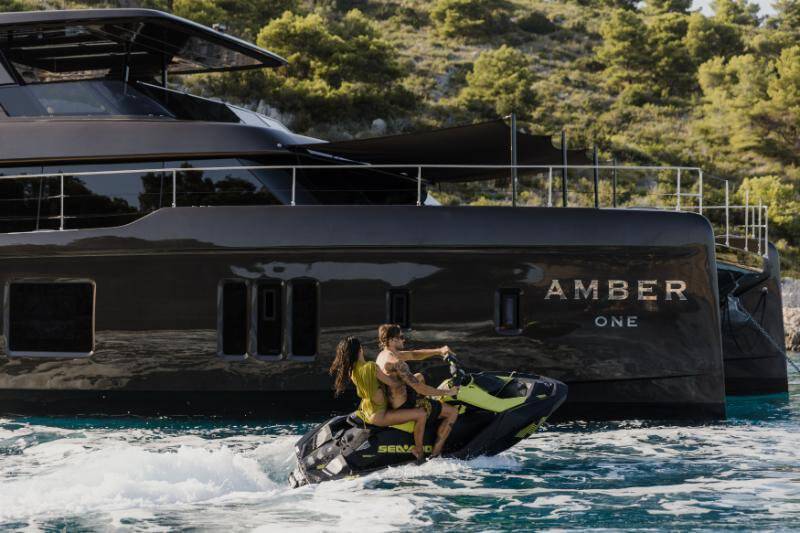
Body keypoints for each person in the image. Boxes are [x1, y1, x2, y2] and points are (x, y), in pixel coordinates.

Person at [329, 335, 429, 461]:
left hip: (367, 410)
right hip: (379, 416)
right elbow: (394, 384)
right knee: (421, 414)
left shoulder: (352, 371)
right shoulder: (371, 367)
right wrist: (408, 378)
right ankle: (419, 451)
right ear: (360, 349)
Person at [376, 324, 459, 459]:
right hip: (404, 406)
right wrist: (447, 392)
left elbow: (414, 354)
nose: (404, 340)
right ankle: (435, 454)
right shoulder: (395, 361)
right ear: (391, 340)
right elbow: (419, 388)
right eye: (401, 337)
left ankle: (428, 423)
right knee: (453, 412)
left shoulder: (384, 355)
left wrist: (439, 351)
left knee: (419, 376)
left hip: (397, 398)